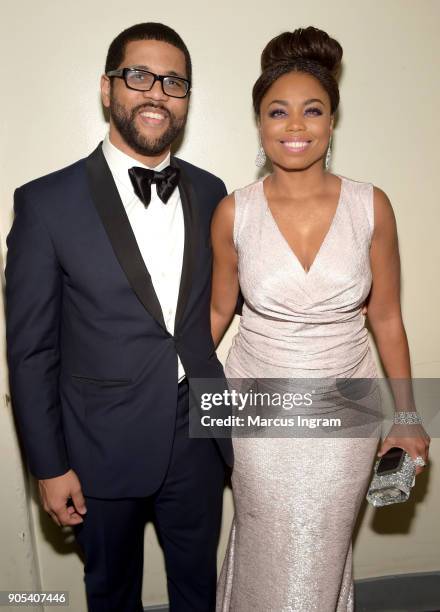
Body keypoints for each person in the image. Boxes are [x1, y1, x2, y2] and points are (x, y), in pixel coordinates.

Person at [6, 22, 232, 612]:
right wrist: (49, 467)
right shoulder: (44, 202)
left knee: (197, 589)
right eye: (139, 76)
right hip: (96, 443)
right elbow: (30, 350)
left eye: (175, 81)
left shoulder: (212, 193)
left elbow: (212, 307)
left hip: (199, 436)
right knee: (110, 594)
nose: (157, 92)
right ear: (108, 89)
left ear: (187, 97)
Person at [210, 27, 430, 611]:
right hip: (256, 404)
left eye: (313, 111)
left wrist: (408, 414)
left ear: (333, 121)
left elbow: (386, 317)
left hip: (347, 403)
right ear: (260, 124)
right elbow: (216, 311)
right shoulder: (234, 211)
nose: (296, 126)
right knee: (262, 536)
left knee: (321, 546)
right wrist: (166, 386)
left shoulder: (371, 205)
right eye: (277, 112)